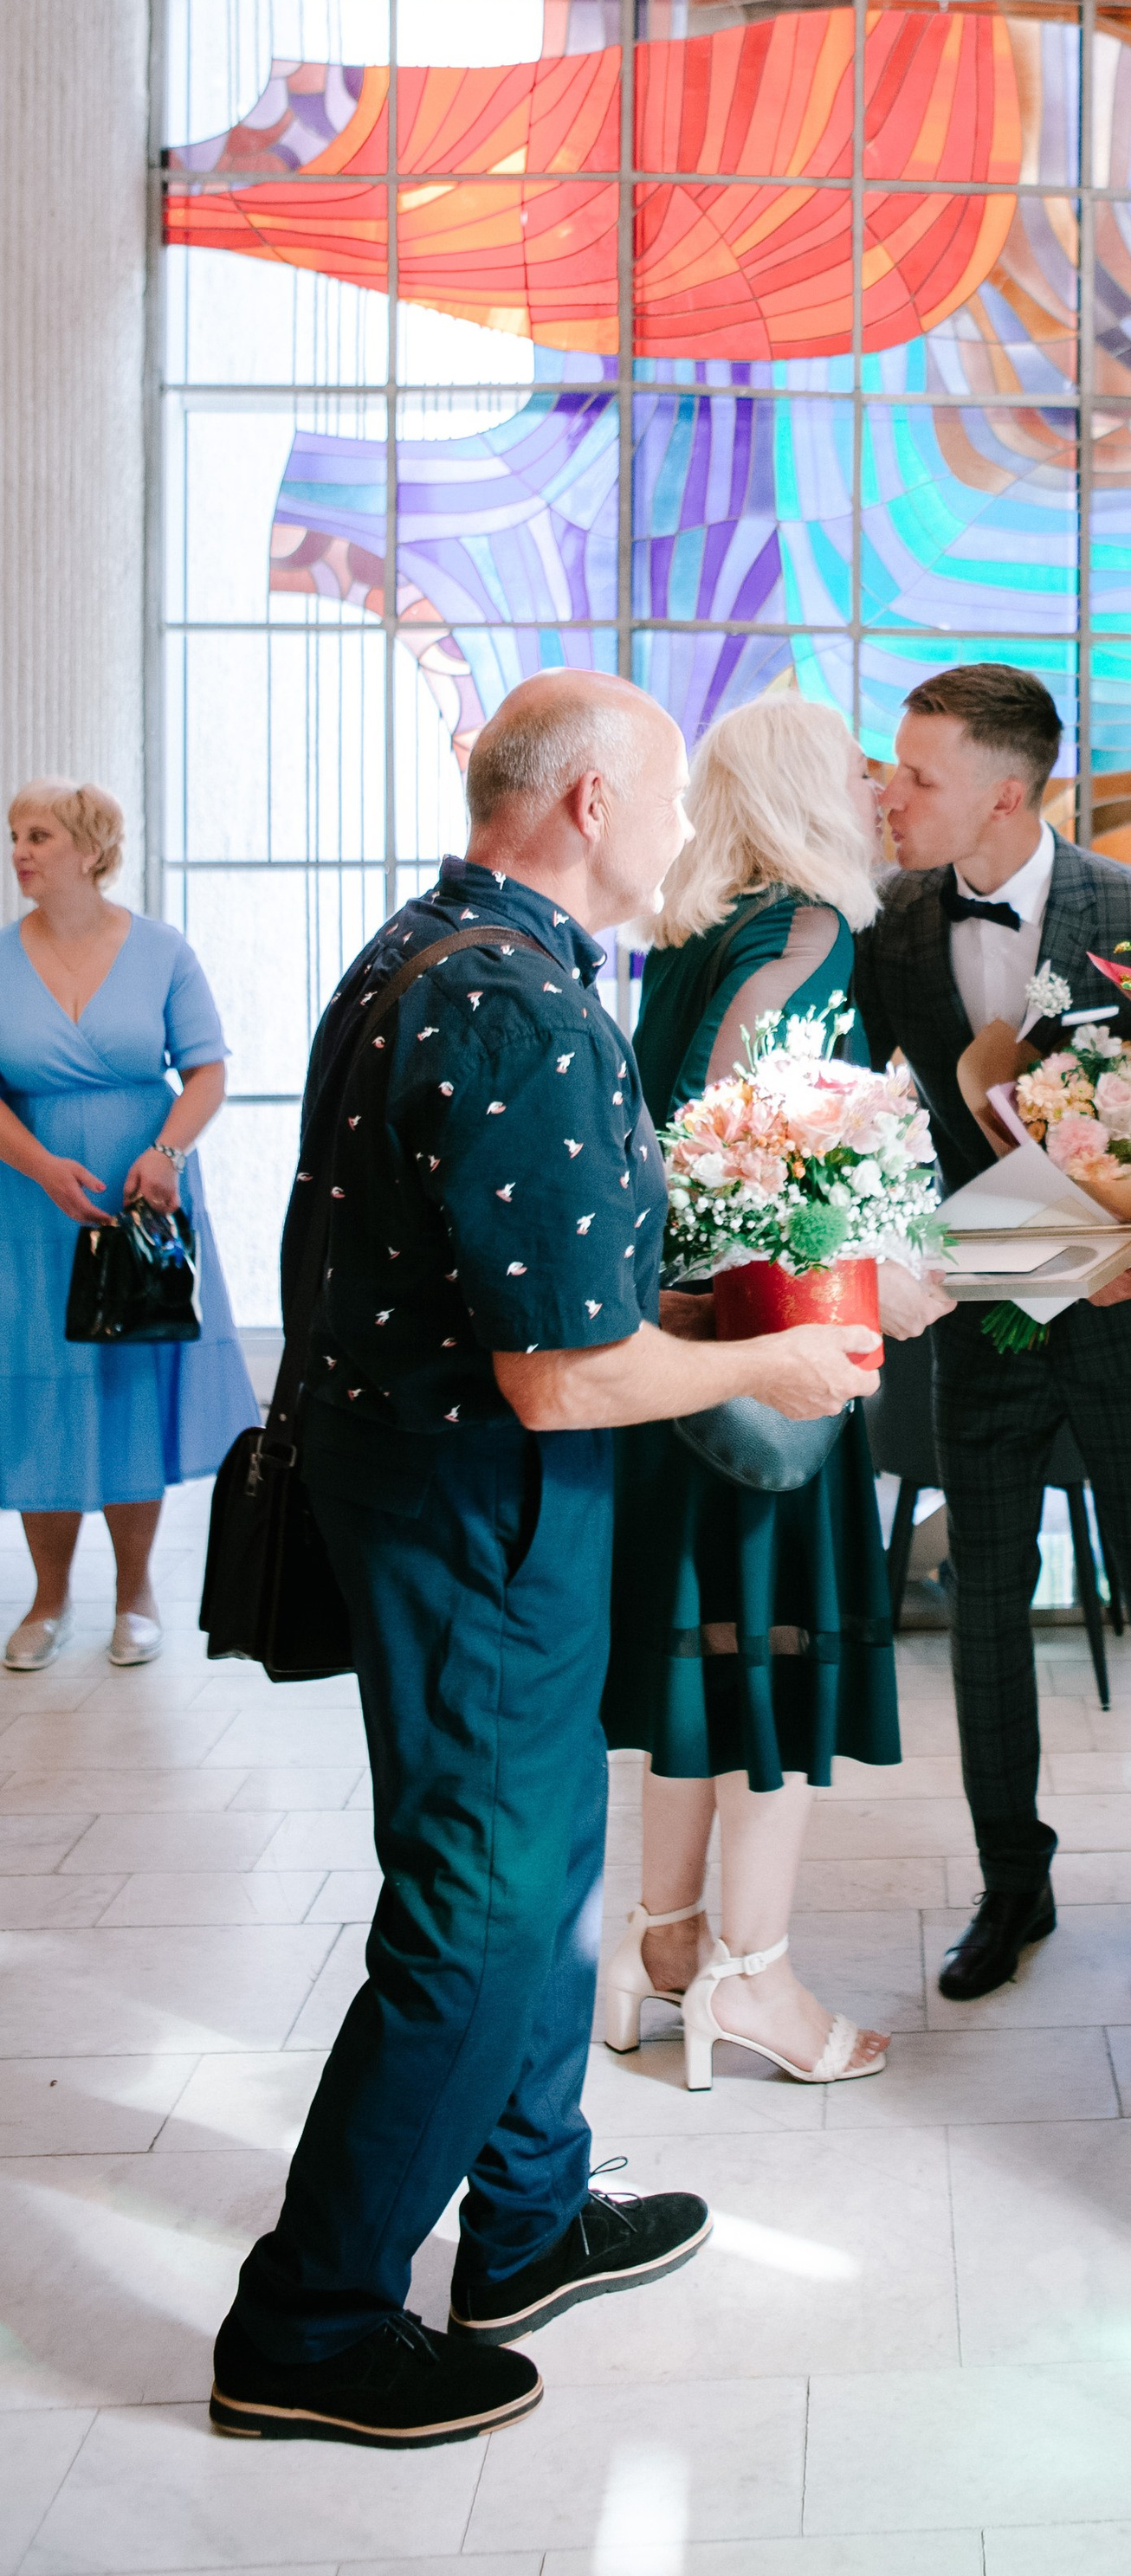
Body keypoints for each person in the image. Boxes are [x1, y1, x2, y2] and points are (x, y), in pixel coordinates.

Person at [212, 673, 882, 2452]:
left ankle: (523, 2221)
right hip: (479, 1516)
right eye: (665, 796)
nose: (681, 829)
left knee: (549, 1864)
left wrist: (700, 1311)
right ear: (590, 804)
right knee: (479, 1914)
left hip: (444, 1494)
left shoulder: (422, 952)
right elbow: (560, 1374)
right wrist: (764, 1363)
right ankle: (309, 2321)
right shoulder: (515, 1003)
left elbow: (522, 1285)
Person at [852, 662, 1131, 2007]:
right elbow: (870, 1113)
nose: (891, 795)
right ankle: (1012, 1882)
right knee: (984, 1614)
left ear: (1007, 795)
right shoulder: (893, 923)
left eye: (919, 776)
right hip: (983, 1323)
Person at [602, 694, 951, 2087]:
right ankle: (754, 1977)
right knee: (780, 1665)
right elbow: (754, 1155)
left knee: (703, 1659)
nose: (877, 793)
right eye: (857, 773)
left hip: (675, 1358)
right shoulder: (811, 934)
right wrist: (883, 1261)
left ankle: (660, 1947)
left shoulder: (693, 935)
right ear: (808, 792)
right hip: (770, 1357)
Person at [0, 782, 257, 1670]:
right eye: (14, 835)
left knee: (127, 1383)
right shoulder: (1, 957)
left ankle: (135, 1592)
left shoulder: (162, 951)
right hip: (30, 1204)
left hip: (144, 1197)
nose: (19, 850)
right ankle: (48, 1599)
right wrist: (41, 1165)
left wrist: (167, 1153)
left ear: (89, 848)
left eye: (38, 835)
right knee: (42, 1386)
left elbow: (207, 1072)